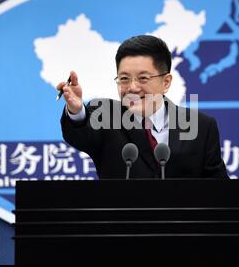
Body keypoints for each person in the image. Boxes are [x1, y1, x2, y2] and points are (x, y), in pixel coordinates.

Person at [56, 35, 229, 179]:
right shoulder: (106, 116)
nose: (132, 87)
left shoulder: (201, 126)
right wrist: (77, 111)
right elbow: (81, 133)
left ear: (166, 82)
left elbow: (218, 193)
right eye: (124, 78)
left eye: (143, 78)